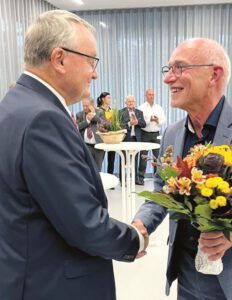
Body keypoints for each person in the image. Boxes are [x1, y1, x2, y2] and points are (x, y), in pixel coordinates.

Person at [0, 10, 148, 300]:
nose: (95, 73)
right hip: (53, 284)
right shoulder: (44, 118)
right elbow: (84, 224)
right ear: (60, 59)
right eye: (91, 61)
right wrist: (136, 239)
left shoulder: (15, 104)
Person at [133, 38, 232, 300]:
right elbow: (163, 190)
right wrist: (141, 224)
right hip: (187, 279)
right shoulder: (172, 134)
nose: (168, 79)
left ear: (213, 74)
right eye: (168, 69)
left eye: (180, 68)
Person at [137, 88, 166, 185]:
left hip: (156, 134)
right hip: (145, 134)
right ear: (146, 96)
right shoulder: (141, 108)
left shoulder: (159, 108)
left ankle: (157, 179)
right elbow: (140, 122)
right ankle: (140, 178)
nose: (151, 96)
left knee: (157, 157)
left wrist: (157, 120)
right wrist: (149, 120)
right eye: (149, 94)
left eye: (153, 94)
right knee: (143, 157)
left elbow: (163, 121)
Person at [119, 95, 146, 181]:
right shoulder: (120, 112)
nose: (131, 103)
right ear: (125, 103)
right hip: (125, 139)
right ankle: (123, 179)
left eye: (132, 101)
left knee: (135, 160)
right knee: (123, 160)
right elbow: (119, 125)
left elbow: (144, 124)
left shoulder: (139, 112)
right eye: (129, 101)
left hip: (136, 139)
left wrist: (137, 122)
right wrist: (129, 124)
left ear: (134, 102)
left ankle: (134, 179)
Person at [76, 96, 104, 170]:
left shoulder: (100, 112)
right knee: (87, 169)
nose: (84, 107)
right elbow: (78, 127)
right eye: (83, 105)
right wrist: (87, 120)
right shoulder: (79, 114)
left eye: (86, 106)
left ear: (92, 105)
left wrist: (93, 114)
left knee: (98, 170)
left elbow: (102, 123)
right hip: (85, 146)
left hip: (98, 145)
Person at [97, 92, 116, 174]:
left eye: (110, 98)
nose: (110, 100)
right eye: (108, 97)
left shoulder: (111, 110)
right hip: (102, 138)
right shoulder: (98, 110)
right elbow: (98, 123)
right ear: (103, 99)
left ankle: (110, 178)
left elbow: (113, 123)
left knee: (111, 160)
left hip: (111, 137)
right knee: (100, 160)